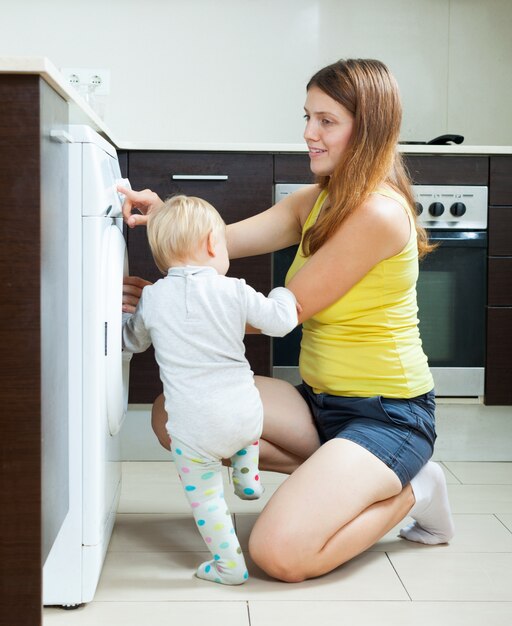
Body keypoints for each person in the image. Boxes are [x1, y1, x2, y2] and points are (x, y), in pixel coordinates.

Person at [119, 58, 455, 584]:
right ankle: (337, 482)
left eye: (326, 121)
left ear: (366, 130)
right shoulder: (317, 199)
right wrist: (163, 217)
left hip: (388, 416)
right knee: (174, 415)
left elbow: (280, 314)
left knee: (279, 554)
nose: (308, 134)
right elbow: (214, 244)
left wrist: (167, 309)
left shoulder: (379, 214)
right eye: (307, 117)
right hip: (318, 401)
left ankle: (418, 488)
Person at [121, 194, 299, 585]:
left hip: (192, 429)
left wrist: (119, 320)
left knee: (207, 500)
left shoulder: (153, 297)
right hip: (246, 418)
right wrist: (284, 294)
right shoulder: (234, 289)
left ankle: (228, 566)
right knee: (241, 413)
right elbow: (281, 321)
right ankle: (248, 477)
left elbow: (132, 342)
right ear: (213, 244)